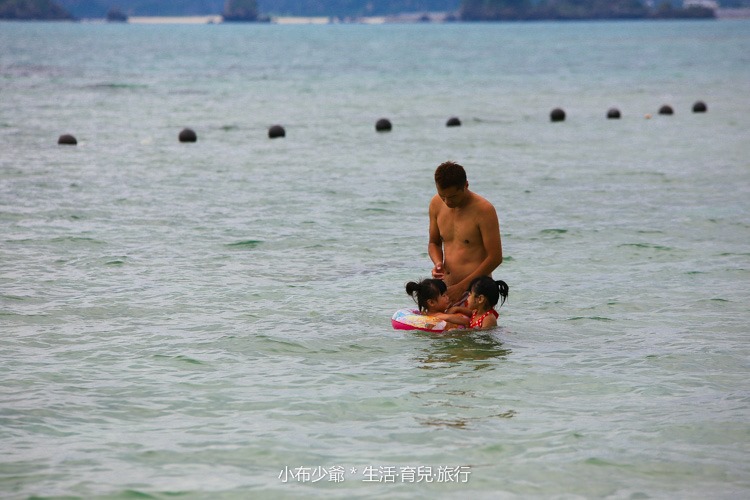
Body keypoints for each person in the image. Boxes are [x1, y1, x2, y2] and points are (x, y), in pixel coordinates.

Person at [429, 161, 503, 305]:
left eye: (452, 197)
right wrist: (438, 263)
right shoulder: (436, 204)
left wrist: (462, 287)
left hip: (475, 293)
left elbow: (495, 257)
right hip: (447, 290)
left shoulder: (484, 210)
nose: (447, 202)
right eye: (442, 195)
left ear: (466, 186)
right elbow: (434, 243)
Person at [405, 278, 470, 330]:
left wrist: (456, 308)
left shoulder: (424, 314)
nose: (448, 297)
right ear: (431, 302)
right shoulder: (441, 316)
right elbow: (467, 321)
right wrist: (451, 312)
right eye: (444, 296)